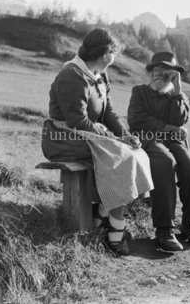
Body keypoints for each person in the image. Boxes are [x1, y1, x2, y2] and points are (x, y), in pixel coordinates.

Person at [41, 28, 153, 255]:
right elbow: (76, 121)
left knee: (135, 151)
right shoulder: (73, 75)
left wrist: (124, 135)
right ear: (105, 54)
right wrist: (113, 139)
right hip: (64, 137)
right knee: (121, 157)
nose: (115, 58)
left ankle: (102, 212)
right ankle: (116, 230)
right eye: (114, 53)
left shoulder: (99, 75)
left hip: (88, 133)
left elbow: (107, 112)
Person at [127, 51, 190, 251]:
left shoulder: (178, 96)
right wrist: (170, 128)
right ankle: (164, 229)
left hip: (172, 142)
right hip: (147, 139)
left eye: (166, 70)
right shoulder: (139, 91)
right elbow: (137, 120)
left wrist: (178, 90)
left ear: (174, 74)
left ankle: (189, 226)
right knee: (165, 162)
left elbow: (179, 120)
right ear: (150, 72)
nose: (160, 74)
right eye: (156, 69)